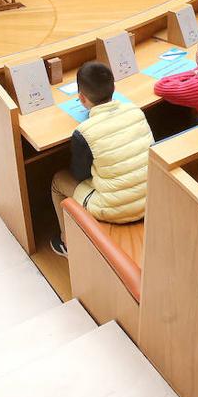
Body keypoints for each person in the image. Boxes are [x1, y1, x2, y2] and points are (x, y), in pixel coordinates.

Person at [48, 61, 154, 256]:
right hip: (151, 197)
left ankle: (66, 242)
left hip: (115, 210)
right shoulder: (135, 111)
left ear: (81, 98)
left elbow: (79, 174)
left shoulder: (83, 132)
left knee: (58, 180)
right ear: (113, 88)